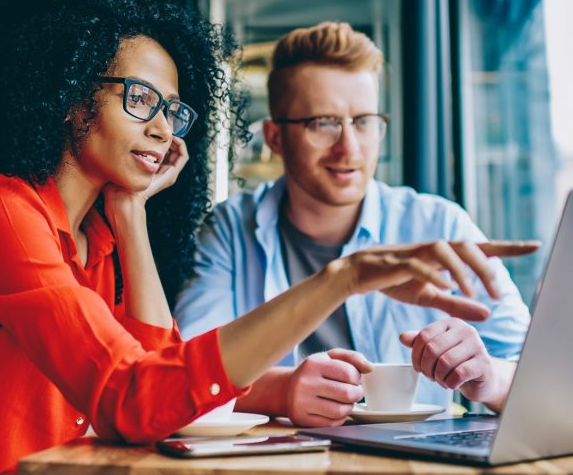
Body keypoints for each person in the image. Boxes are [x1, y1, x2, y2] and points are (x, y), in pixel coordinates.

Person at [0, 0, 535, 475]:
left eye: (171, 110)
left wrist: (132, 212)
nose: (164, 129)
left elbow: (160, 374)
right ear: (72, 100)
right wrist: (342, 280)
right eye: (140, 99)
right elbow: (145, 395)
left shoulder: (99, 233)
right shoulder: (5, 212)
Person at [175, 21, 534, 427]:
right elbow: (184, 373)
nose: (349, 147)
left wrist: (488, 378)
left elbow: (541, 373)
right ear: (274, 138)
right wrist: (282, 390)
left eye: (363, 121)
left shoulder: (438, 224)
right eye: (323, 123)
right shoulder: (230, 229)